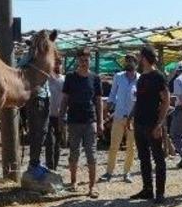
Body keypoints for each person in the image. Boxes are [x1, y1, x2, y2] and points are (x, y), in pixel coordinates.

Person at [61, 48, 104, 198]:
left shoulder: (95, 78)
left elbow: (98, 101)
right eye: (82, 60)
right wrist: (61, 117)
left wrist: (100, 122)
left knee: (91, 155)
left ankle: (92, 187)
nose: (84, 63)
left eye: (87, 60)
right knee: (74, 153)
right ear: (78, 61)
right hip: (73, 121)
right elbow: (65, 99)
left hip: (90, 120)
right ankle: (73, 182)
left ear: (90, 60)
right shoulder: (70, 77)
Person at [129, 46, 170, 203]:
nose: (138, 59)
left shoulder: (158, 76)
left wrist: (159, 124)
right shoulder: (142, 78)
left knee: (158, 158)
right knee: (144, 158)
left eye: (140, 56)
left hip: (152, 124)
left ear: (144, 58)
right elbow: (139, 101)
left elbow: (166, 101)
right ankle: (147, 190)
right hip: (139, 123)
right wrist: (131, 117)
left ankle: (160, 193)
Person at [102, 55, 138, 183]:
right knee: (114, 145)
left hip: (133, 118)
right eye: (127, 61)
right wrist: (107, 110)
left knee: (131, 147)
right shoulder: (118, 77)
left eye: (131, 60)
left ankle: (127, 173)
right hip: (118, 116)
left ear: (135, 63)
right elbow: (112, 94)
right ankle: (109, 172)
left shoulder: (139, 79)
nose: (128, 63)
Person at [24, 58, 50, 170]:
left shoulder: (45, 60)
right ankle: (34, 163)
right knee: (36, 132)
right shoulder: (31, 57)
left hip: (45, 98)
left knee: (42, 132)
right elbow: (20, 65)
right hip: (36, 98)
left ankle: (36, 161)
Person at [45, 53, 65, 170]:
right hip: (47, 115)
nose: (57, 65)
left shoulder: (64, 80)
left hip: (60, 116)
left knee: (57, 143)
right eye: (55, 63)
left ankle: (54, 167)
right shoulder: (47, 79)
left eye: (59, 63)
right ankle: (49, 166)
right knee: (49, 142)